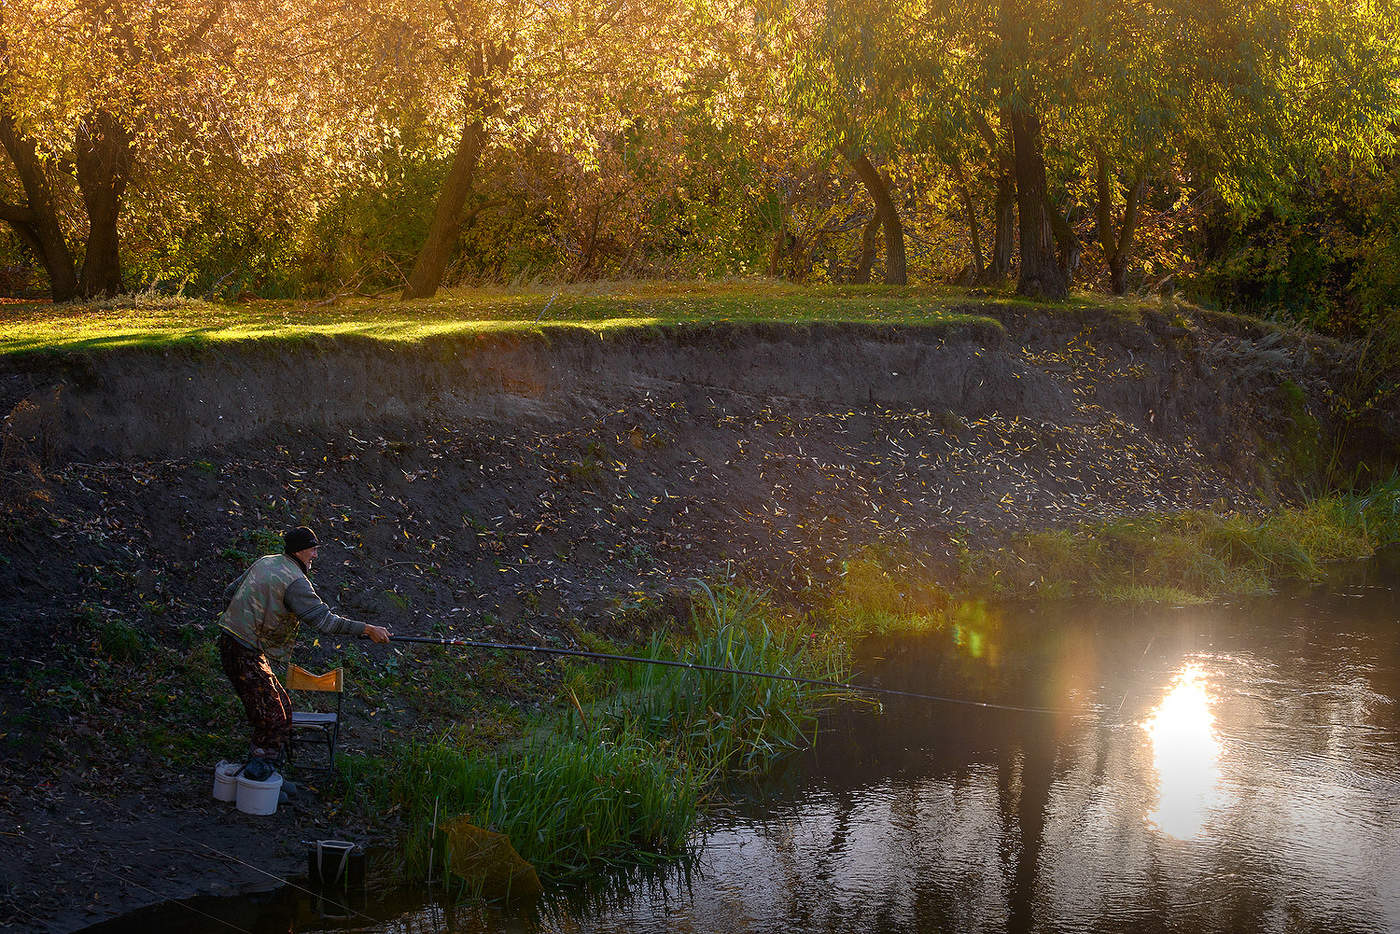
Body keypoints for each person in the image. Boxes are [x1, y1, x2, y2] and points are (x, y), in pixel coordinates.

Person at [217, 526, 390, 778]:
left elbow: (229, 594)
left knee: (283, 708)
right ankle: (257, 778)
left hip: (237, 644)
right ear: (299, 551)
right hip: (243, 650)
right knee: (273, 717)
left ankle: (268, 773)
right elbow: (325, 622)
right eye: (313, 549)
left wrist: (243, 626)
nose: (315, 555)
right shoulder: (296, 581)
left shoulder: (266, 562)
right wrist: (368, 629)